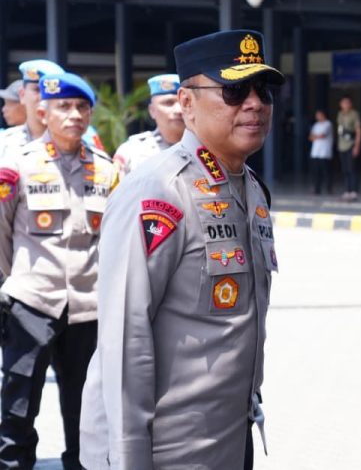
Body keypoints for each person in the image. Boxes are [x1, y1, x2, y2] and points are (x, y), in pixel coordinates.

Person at [79, 29, 282, 469]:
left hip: (230, 438)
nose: (254, 103)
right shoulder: (159, 191)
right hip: (168, 451)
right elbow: (124, 341)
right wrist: (129, 460)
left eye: (263, 90)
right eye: (234, 90)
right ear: (187, 103)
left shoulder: (250, 188)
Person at [0, 73, 116, 469]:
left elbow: (113, 241)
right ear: (42, 113)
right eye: (63, 107)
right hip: (31, 305)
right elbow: (1, 234)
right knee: (17, 407)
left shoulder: (107, 170)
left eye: (82, 107)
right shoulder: (18, 164)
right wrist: (15, 282)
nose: (74, 115)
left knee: (86, 412)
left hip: (88, 308)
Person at [112, 73, 185, 178]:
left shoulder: (206, 147)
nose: (178, 110)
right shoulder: (132, 151)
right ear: (152, 110)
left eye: (184, 103)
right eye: (169, 103)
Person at [0, 59, 64, 156]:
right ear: (22, 95)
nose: (43, 97)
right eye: (37, 90)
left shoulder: (75, 142)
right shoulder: (4, 143)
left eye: (50, 91)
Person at [337, 95, 361, 200]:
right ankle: (347, 190)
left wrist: (357, 146)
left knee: (352, 168)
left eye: (347, 103)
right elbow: (339, 129)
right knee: (345, 169)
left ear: (350, 104)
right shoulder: (339, 114)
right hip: (341, 145)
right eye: (343, 103)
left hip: (351, 144)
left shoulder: (354, 114)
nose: (345, 105)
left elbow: (358, 131)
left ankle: (354, 191)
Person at [309, 109, 334, 194]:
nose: (317, 116)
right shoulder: (316, 125)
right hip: (315, 152)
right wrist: (316, 136)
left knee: (326, 171)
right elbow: (310, 137)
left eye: (318, 114)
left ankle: (329, 188)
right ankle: (317, 189)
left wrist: (315, 136)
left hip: (325, 152)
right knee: (316, 172)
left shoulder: (328, 124)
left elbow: (322, 135)